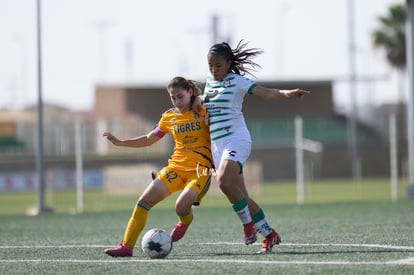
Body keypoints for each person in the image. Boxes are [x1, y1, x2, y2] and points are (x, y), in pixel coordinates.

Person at [195, 40, 309, 254]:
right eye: (210, 65)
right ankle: (270, 235)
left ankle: (248, 225)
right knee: (242, 197)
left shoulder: (237, 81)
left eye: (218, 65)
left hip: (236, 140)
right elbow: (207, 105)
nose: (213, 69)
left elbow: (265, 92)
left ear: (228, 63)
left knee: (222, 181)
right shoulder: (209, 81)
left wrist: (287, 93)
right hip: (217, 145)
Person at [103, 76, 214, 257]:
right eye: (173, 98)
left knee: (180, 207)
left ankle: (184, 221)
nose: (177, 101)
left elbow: (218, 101)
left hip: (201, 171)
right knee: (143, 202)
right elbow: (148, 139)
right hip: (175, 169)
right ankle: (126, 246)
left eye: (180, 96)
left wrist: (205, 108)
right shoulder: (169, 117)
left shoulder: (203, 109)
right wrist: (121, 142)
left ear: (190, 92)